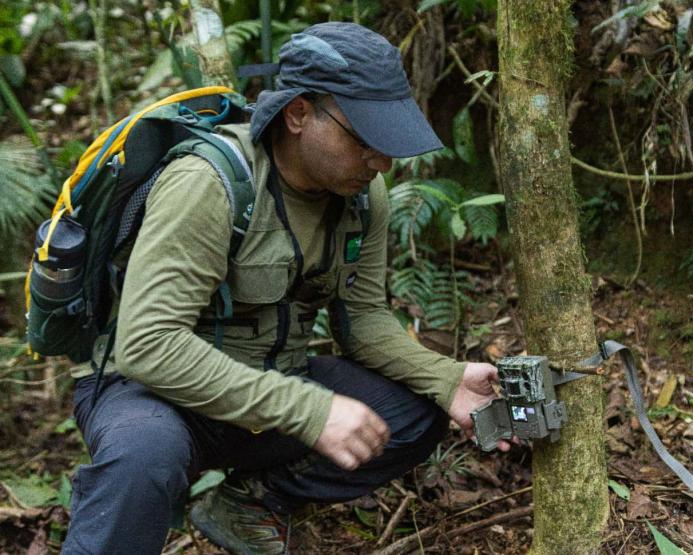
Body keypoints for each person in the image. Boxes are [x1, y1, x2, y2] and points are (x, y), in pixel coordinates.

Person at [62, 22, 508, 555]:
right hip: (154, 395)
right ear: (298, 115)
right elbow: (147, 345)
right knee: (142, 458)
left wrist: (447, 378)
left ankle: (248, 502)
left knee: (414, 410)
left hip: (270, 385)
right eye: (364, 140)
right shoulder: (207, 184)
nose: (382, 162)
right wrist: (309, 410)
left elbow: (363, 320)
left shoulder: (364, 196)